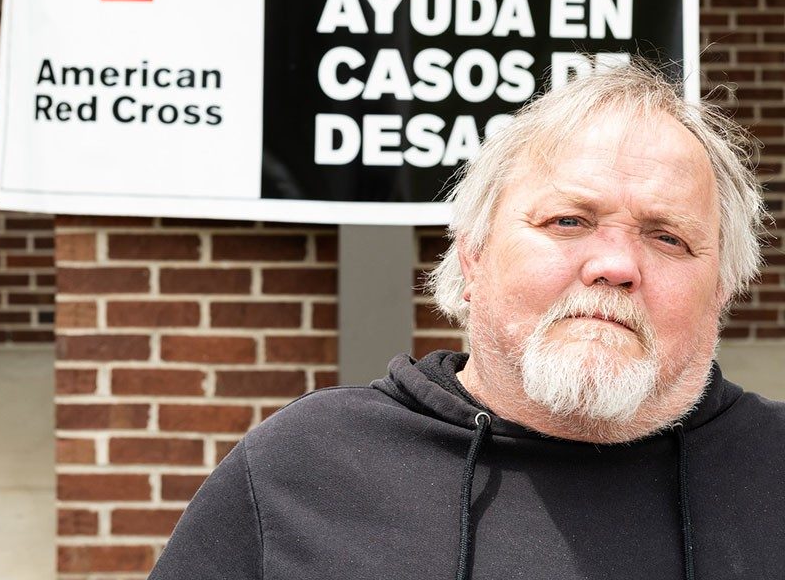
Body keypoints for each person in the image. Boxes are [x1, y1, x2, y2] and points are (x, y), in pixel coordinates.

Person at [148, 61, 784, 580]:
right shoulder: (307, 466)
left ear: (722, 288)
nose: (616, 264)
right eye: (568, 221)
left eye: (668, 237)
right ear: (473, 254)